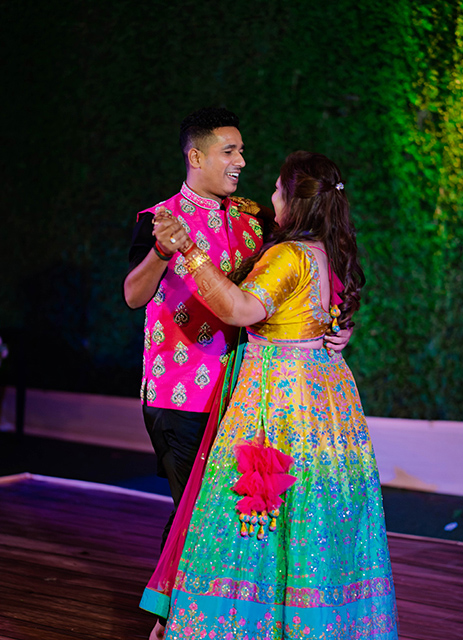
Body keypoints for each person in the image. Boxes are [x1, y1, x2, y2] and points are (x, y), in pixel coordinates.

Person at [141, 151, 402, 640]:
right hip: (325, 406)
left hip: (277, 405)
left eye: (280, 190)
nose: (272, 197)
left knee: (249, 528)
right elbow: (324, 313)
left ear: (297, 200)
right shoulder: (327, 250)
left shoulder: (288, 254)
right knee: (309, 532)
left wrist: (190, 252)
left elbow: (239, 310)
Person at [124, 109, 351, 552]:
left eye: (241, 151)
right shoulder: (160, 218)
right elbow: (133, 295)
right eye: (229, 151)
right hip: (183, 394)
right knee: (194, 514)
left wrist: (338, 326)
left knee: (227, 516)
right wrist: (161, 252)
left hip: (245, 399)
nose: (242, 161)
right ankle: (171, 598)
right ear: (196, 157)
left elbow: (309, 276)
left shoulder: (256, 218)